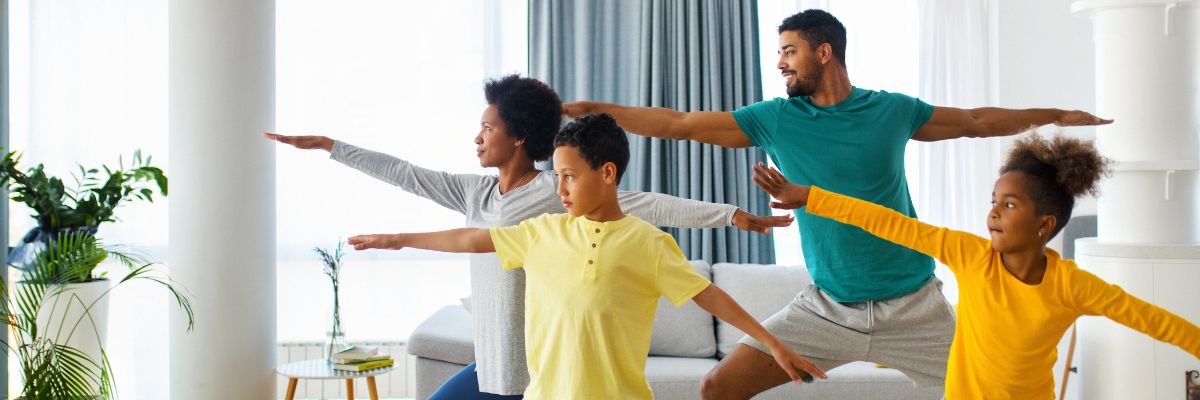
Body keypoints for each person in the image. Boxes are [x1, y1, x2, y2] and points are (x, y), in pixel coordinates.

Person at [562, 9, 1113, 399]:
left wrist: (1054, 115)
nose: (780, 63)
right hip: (827, 308)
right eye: (778, 52)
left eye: (789, 51)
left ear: (824, 53)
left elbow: (973, 122)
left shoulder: (890, 111)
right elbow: (680, 125)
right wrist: (595, 110)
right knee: (717, 387)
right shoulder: (773, 119)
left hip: (915, 307)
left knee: (995, 391)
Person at [263, 75, 792, 399]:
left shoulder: (557, 192)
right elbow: (404, 172)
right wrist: (333, 146)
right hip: (489, 358)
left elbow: (644, 203)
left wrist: (728, 215)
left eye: (488, 128)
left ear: (518, 136)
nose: (477, 137)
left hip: (531, 367)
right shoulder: (474, 193)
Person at [347, 114, 828, 399]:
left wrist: (774, 344)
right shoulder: (542, 233)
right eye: (556, 176)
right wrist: (399, 239)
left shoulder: (648, 243)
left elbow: (711, 298)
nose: (560, 190)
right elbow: (472, 240)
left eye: (570, 177)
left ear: (608, 173)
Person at [751, 133, 1200, 399]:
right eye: (993, 202)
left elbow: (1151, 319)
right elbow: (889, 223)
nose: (994, 213)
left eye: (1009, 204)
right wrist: (812, 196)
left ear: (1044, 224)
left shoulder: (1072, 285)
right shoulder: (972, 256)